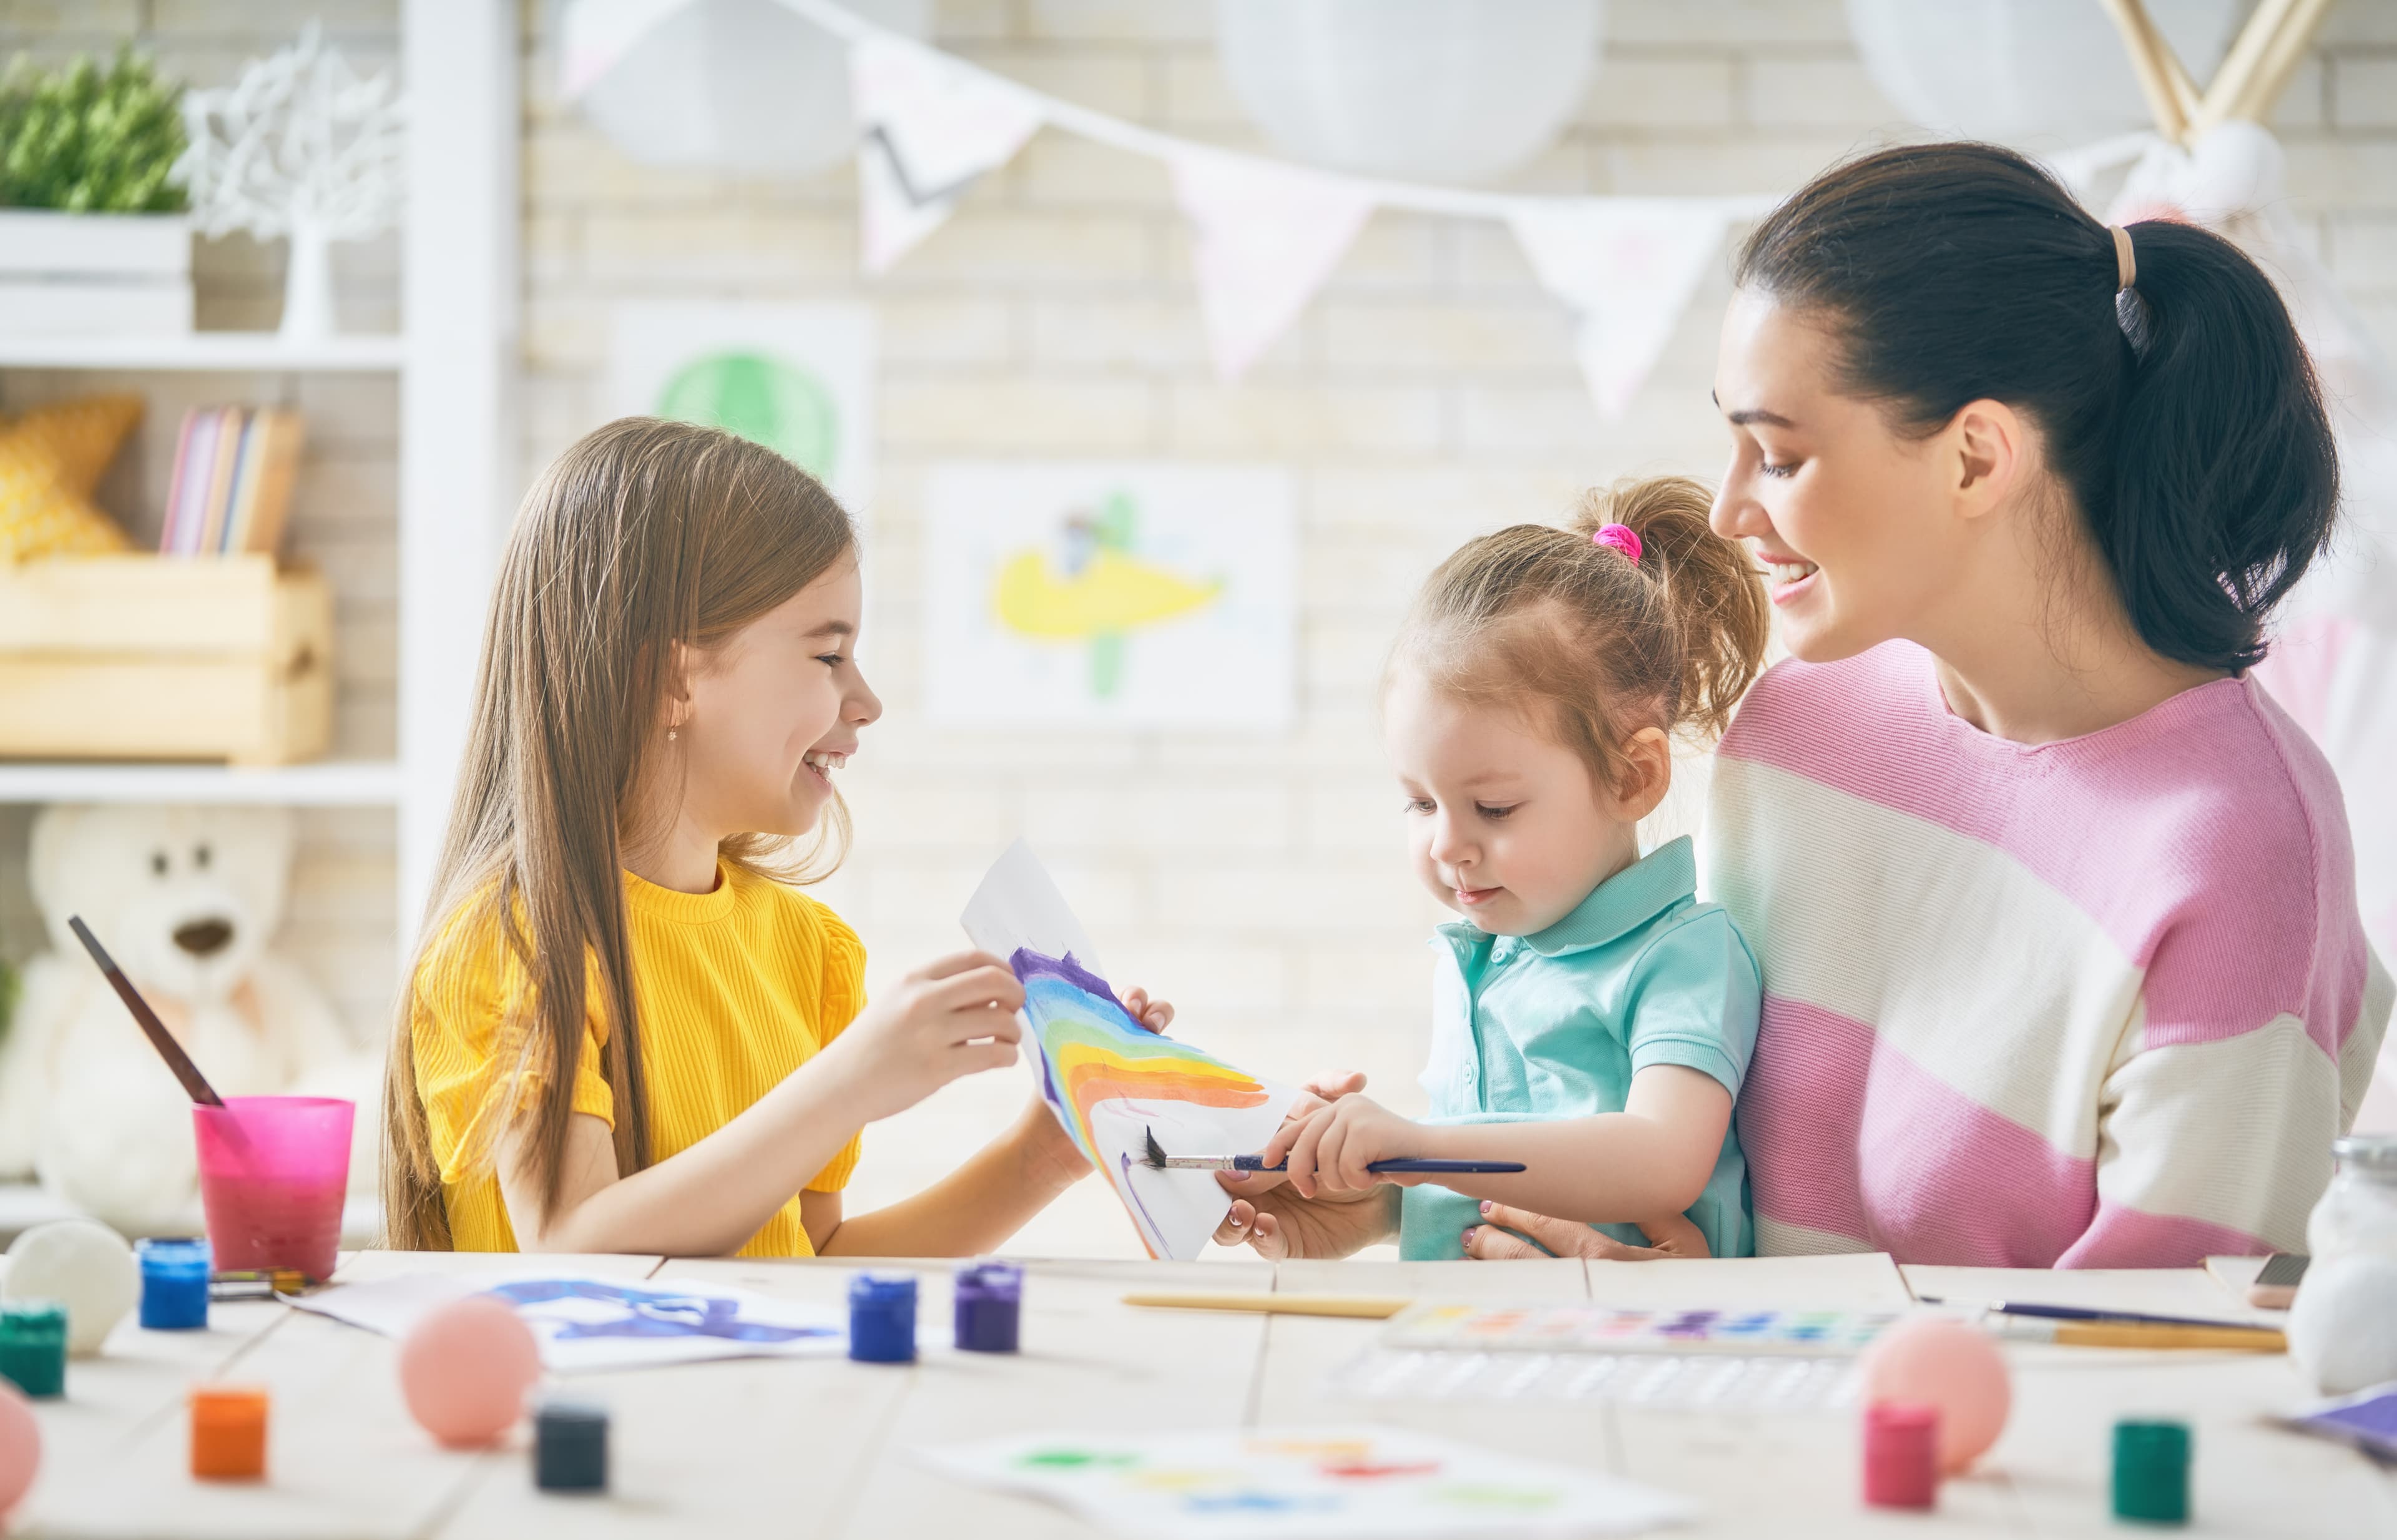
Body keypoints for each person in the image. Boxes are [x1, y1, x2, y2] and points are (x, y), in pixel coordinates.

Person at [1403, 142, 2392, 1267]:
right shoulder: (1797, 731)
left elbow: (2163, 1347)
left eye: (1778, 457)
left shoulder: (2242, 851)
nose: (1727, 512)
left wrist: (1726, 1328)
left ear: (1976, 459)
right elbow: (1701, 1163)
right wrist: (1383, 1189)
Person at [381, 418, 1171, 1257]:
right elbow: (570, 1239)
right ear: (673, 679)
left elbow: (814, 1257)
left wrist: (1044, 1154)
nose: (867, 701)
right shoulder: (513, 943)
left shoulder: (807, 952)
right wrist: (852, 1082)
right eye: (829, 657)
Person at [1213, 476, 1770, 1261]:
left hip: (1637, 1332)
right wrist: (1379, 1202)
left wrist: (1414, 1145)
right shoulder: (1487, 959)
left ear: (1632, 778)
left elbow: (1660, 1159)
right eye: (1420, 802)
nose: (1448, 845)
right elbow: (1496, 1184)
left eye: (1494, 808)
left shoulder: (1684, 954)